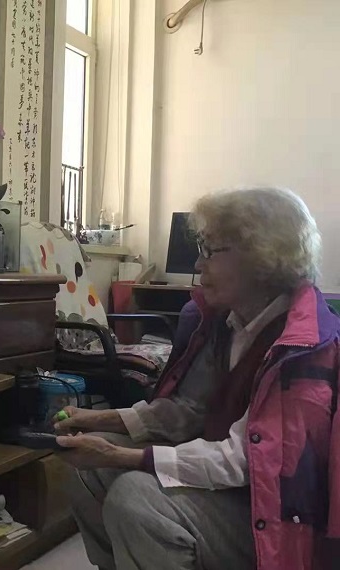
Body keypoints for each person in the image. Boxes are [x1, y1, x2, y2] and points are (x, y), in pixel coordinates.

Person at [54, 188, 340, 570]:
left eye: (209, 250)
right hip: (227, 488)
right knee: (88, 471)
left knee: (135, 496)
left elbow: (244, 460)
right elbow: (189, 411)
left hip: (273, 518)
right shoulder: (224, 322)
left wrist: (124, 456)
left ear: (262, 257)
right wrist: (100, 420)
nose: (198, 263)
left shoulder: (306, 347)